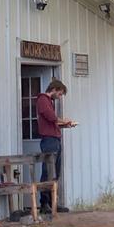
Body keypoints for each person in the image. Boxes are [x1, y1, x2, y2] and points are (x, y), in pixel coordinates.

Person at [36, 79, 75, 213]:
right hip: (49, 140)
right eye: (59, 94)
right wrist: (64, 120)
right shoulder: (42, 100)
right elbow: (51, 117)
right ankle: (44, 204)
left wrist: (65, 124)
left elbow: (52, 122)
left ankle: (53, 202)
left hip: (55, 139)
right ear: (54, 89)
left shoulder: (49, 102)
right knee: (48, 171)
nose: (59, 97)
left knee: (56, 172)